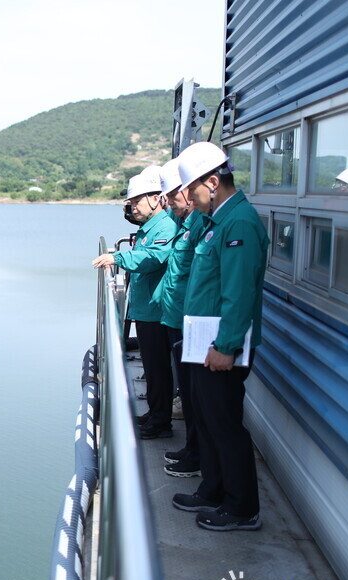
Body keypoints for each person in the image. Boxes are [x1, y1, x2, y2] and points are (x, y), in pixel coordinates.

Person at [170, 141, 269, 532]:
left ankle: (241, 507)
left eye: (192, 191)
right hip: (203, 344)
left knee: (225, 425)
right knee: (208, 420)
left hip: (220, 347)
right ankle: (212, 489)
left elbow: (239, 292)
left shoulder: (238, 222)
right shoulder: (216, 221)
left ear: (213, 181)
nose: (190, 201)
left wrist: (226, 346)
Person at [93, 166, 178, 438]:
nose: (133, 207)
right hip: (146, 308)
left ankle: (161, 422)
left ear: (156, 198)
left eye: (137, 201)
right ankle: (155, 413)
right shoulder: (148, 227)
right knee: (152, 368)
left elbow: (153, 258)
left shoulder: (164, 226)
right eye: (130, 202)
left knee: (159, 368)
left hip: (156, 310)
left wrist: (117, 258)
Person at [152, 158, 206, 477]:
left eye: (173, 195)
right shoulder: (184, 222)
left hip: (191, 324)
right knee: (187, 393)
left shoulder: (199, 224)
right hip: (177, 320)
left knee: (196, 396)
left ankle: (197, 455)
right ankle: (192, 448)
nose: (169, 201)